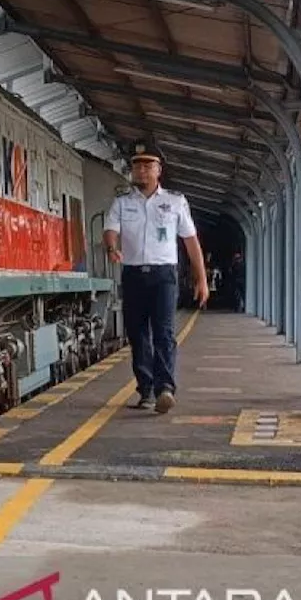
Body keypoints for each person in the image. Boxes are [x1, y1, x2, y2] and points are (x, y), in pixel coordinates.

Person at [103, 141, 209, 413]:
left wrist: (202, 279)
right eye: (137, 166)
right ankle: (146, 390)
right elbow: (111, 230)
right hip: (134, 275)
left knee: (163, 332)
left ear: (158, 170)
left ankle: (165, 388)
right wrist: (112, 248)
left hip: (164, 276)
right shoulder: (121, 203)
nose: (141, 171)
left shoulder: (174, 202)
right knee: (138, 335)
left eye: (148, 166)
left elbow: (191, 241)